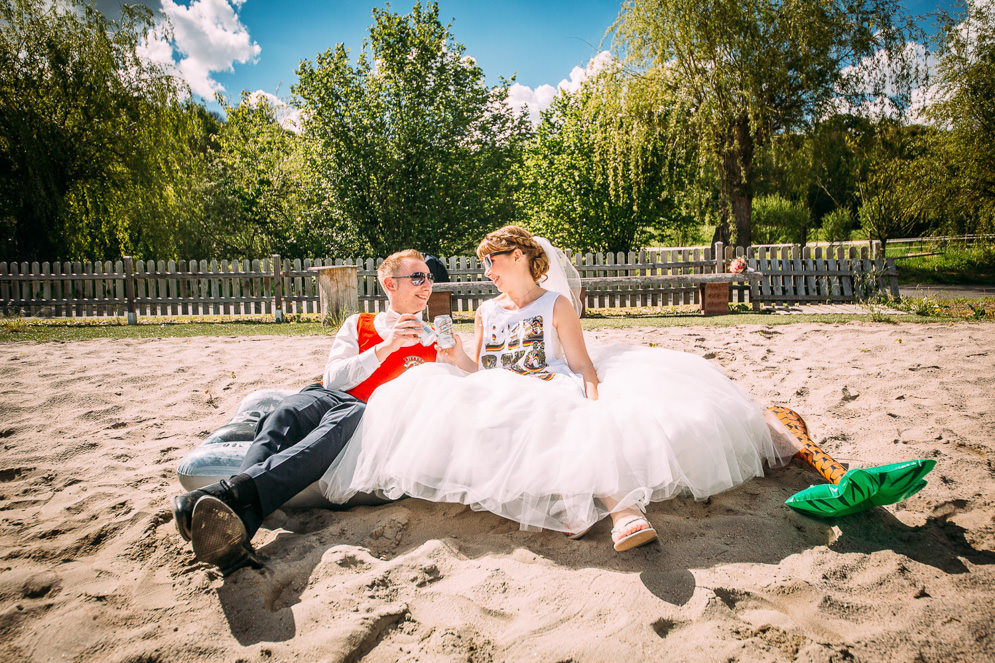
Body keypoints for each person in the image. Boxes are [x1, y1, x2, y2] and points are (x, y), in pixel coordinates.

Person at [320, 227, 796, 551]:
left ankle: (622, 509)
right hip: (500, 386)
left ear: (520, 256)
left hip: (551, 382)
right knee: (475, 411)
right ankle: (565, 501)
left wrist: (594, 402)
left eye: (492, 261)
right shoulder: (486, 313)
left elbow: (583, 366)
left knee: (566, 419)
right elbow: (480, 369)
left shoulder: (556, 305)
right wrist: (453, 356)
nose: (486, 271)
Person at [172, 249, 441, 573]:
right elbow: (334, 378)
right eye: (417, 277)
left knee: (350, 417)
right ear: (389, 284)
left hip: (367, 414)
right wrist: (387, 347)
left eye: (429, 277)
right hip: (327, 394)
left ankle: (232, 501)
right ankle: (240, 519)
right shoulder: (358, 323)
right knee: (282, 417)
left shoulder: (435, 340)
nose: (427, 284)